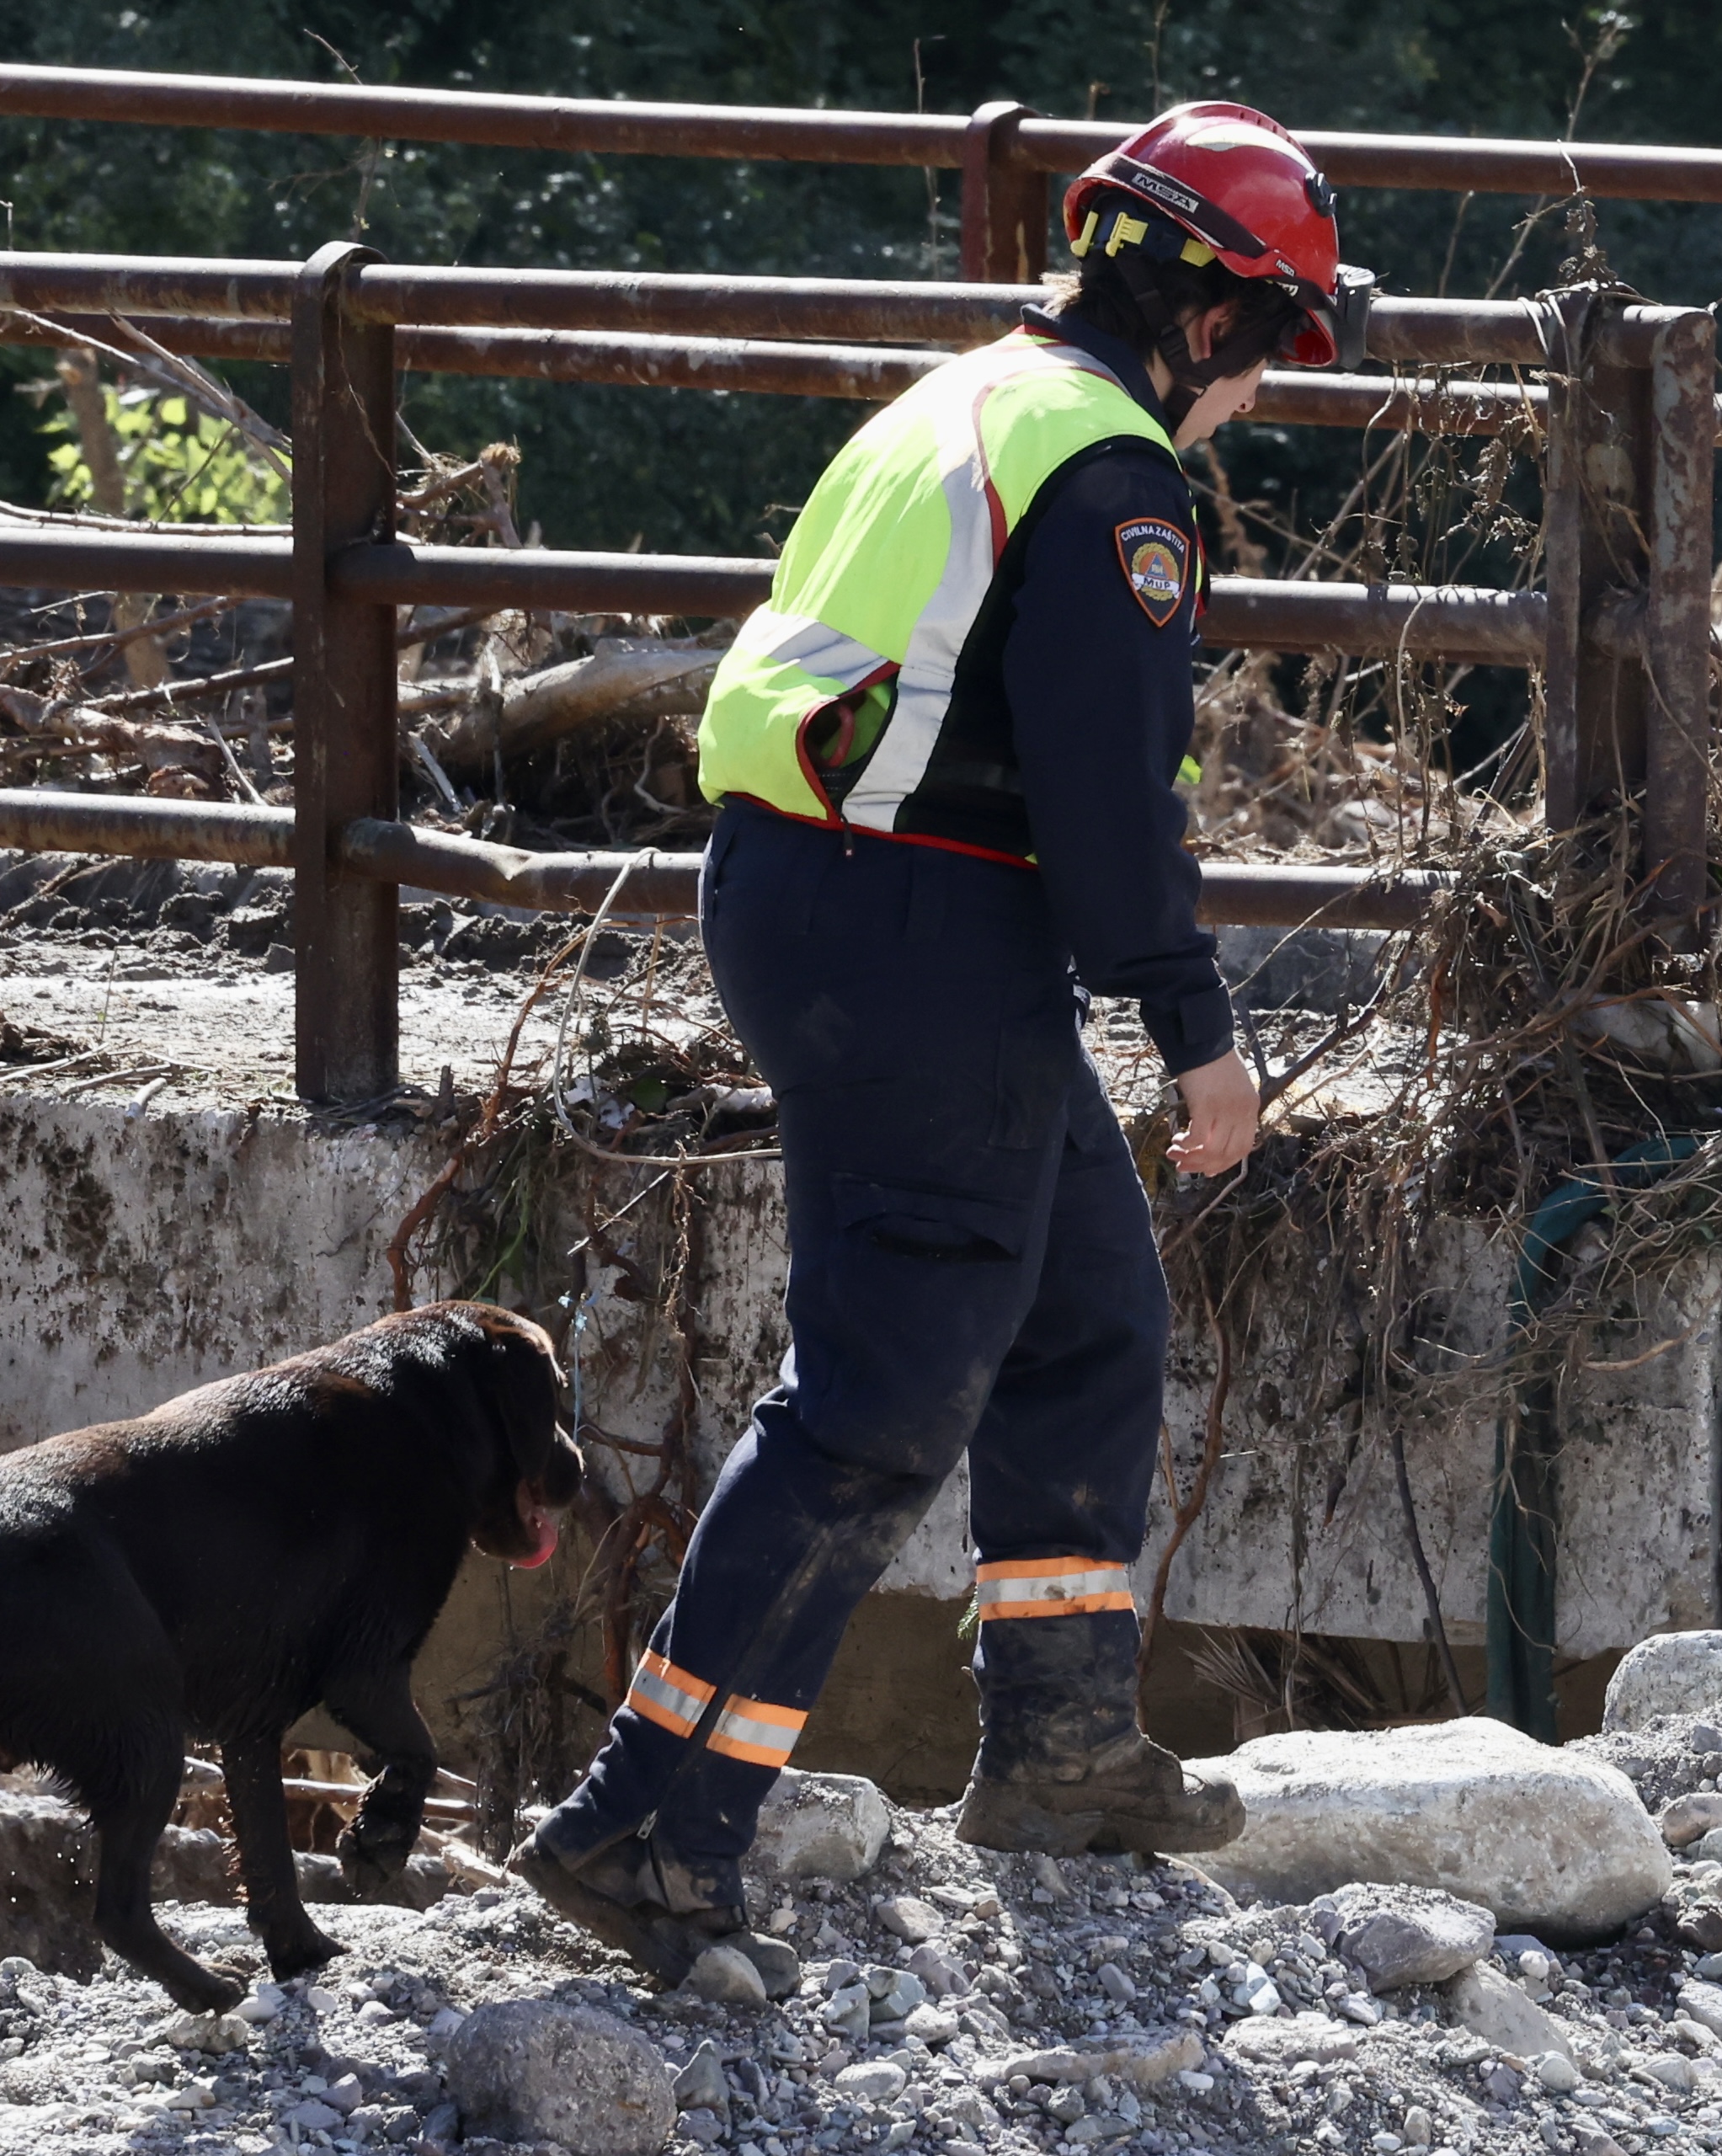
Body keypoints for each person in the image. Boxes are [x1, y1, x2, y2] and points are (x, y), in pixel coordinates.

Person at [514, 103, 1366, 1987]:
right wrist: (1193, 1028)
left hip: (847, 902)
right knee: (882, 1394)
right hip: (915, 924)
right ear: (1213, 317)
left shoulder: (969, 399)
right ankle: (650, 1817)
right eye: (1282, 339)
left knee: (1083, 1316)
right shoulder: (1116, 474)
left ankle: (1062, 1748)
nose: (1268, 387)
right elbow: (1103, 787)